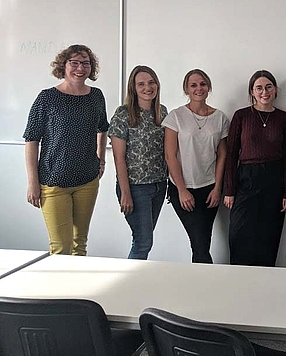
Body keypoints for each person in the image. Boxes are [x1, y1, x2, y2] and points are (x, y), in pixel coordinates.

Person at [23, 44, 109, 255]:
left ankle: (79, 289)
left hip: (87, 180)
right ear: (64, 65)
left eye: (86, 63)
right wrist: (32, 183)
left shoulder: (96, 96)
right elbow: (31, 140)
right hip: (53, 182)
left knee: (80, 244)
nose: (80, 68)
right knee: (61, 248)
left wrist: (101, 159)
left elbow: (103, 127)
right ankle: (60, 289)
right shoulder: (47, 98)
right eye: (75, 63)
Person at [224, 70, 286, 267]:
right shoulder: (241, 116)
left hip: (274, 180)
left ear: (275, 90)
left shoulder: (284, 118)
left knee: (268, 239)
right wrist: (229, 190)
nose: (264, 92)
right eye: (259, 88)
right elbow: (231, 154)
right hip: (245, 179)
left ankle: (265, 289)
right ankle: (239, 283)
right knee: (239, 236)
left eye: (268, 87)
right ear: (252, 92)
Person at [163, 69, 229, 264]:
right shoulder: (175, 117)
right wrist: (182, 191)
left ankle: (199, 284)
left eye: (202, 84)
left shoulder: (220, 118)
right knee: (199, 243)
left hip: (209, 189)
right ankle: (205, 285)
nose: (198, 88)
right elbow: (170, 155)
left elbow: (222, 154)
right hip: (183, 190)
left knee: (202, 242)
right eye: (193, 85)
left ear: (208, 87)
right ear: (186, 89)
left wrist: (218, 188)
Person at [108, 65, 168, 260]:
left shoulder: (162, 112)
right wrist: (125, 193)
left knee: (145, 241)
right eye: (141, 84)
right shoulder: (124, 114)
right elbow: (119, 158)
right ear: (133, 88)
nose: (147, 87)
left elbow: (168, 152)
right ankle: (129, 285)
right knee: (143, 242)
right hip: (135, 188)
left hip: (159, 185)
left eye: (151, 82)